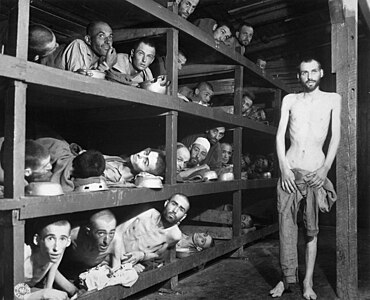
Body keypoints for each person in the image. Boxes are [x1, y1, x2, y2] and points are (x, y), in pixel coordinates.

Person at [270, 58, 341, 300]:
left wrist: (325, 169)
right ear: (298, 76)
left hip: (314, 173)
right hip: (290, 172)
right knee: (286, 228)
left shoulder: (333, 99)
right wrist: (283, 168)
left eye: (313, 72)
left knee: (311, 231)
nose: (309, 76)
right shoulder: (290, 100)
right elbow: (280, 135)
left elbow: (336, 137)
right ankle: (286, 279)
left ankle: (308, 282)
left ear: (321, 73)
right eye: (304, 73)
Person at [114, 194, 190, 269]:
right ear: (166, 203)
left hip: (131, 263)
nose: (175, 210)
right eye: (174, 204)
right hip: (113, 252)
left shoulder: (174, 235)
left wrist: (141, 256)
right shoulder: (146, 211)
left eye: (181, 209)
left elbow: (156, 254)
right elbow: (117, 232)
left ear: (183, 217)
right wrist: (123, 261)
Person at [24, 217, 77, 299]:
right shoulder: (24, 253)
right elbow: (8, 291)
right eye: (50, 238)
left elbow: (49, 287)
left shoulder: (56, 253)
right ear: (37, 240)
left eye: (62, 238)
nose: (56, 247)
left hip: (25, 290)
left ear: (68, 241)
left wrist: (49, 292)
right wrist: (43, 294)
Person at [60, 209, 119, 281]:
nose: (106, 241)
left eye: (111, 233)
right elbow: (52, 264)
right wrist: (72, 289)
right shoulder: (73, 235)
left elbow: (116, 272)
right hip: (67, 271)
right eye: (101, 233)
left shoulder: (116, 240)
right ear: (88, 231)